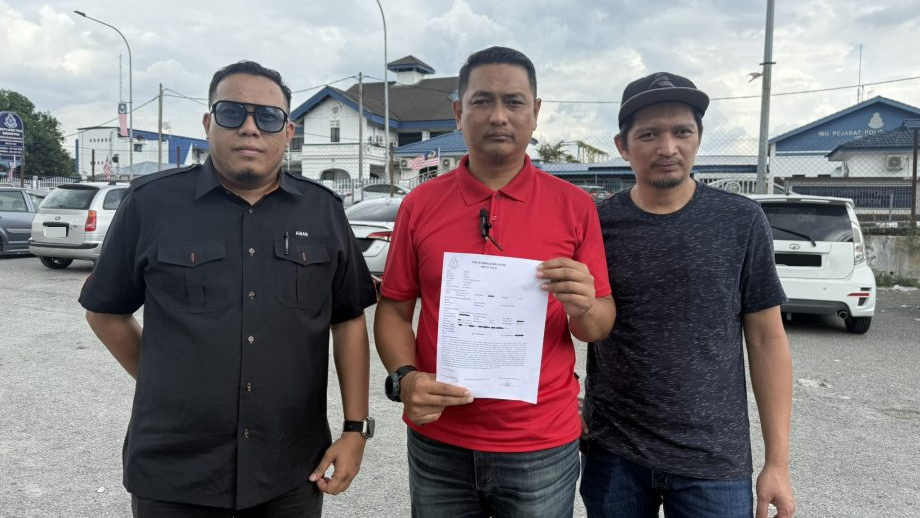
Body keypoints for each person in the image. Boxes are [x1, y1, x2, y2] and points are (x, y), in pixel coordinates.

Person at [79, 60, 378, 518]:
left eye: (268, 116)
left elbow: (349, 318)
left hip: (289, 468)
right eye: (233, 112)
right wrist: (163, 378)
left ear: (288, 132)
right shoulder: (150, 203)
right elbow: (105, 310)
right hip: (175, 469)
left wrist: (355, 429)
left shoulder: (323, 211)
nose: (250, 128)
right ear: (208, 123)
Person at [374, 46, 616, 518]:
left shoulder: (575, 206)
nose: (499, 116)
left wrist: (584, 304)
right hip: (439, 437)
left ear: (536, 112)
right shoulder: (419, 205)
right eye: (482, 101)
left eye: (514, 102)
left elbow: (597, 326)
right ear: (458, 113)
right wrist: (405, 378)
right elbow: (394, 310)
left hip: (540, 443)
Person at [581, 72, 796, 518]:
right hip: (615, 452)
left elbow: (766, 339)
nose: (667, 147)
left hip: (714, 460)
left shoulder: (741, 221)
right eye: (649, 135)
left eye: (682, 131)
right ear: (622, 146)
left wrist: (777, 463)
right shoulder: (596, 224)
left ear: (698, 137)